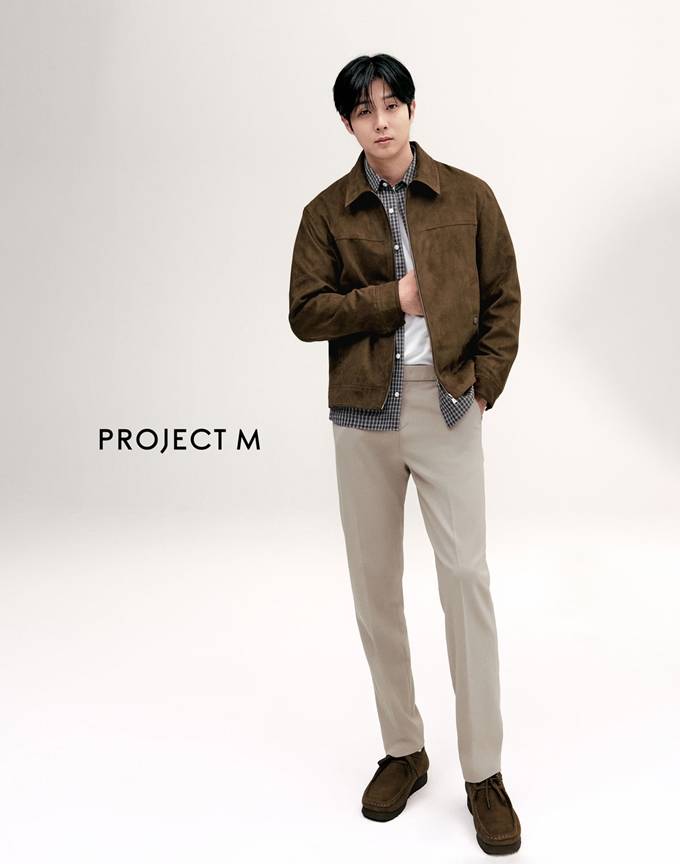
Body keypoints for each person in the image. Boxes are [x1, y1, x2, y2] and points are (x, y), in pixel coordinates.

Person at [288, 53, 522, 856]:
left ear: (411, 110)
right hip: (363, 412)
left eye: (391, 104)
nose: (381, 120)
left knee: (466, 580)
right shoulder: (326, 212)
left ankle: (484, 773)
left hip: (448, 401)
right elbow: (306, 312)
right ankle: (404, 750)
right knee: (375, 589)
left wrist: (485, 383)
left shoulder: (469, 197)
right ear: (348, 124)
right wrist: (395, 298)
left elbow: (504, 295)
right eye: (365, 110)